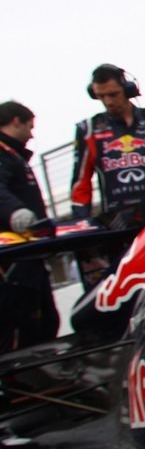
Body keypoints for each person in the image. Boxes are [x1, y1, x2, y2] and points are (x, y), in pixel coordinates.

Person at [70, 64, 145, 224]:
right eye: (101, 96)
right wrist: (82, 221)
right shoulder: (88, 130)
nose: (108, 101)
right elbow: (81, 184)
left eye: (113, 94)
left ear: (127, 90)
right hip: (116, 224)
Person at [0, 101, 59, 350]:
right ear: (16, 121)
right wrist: (16, 213)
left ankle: (42, 377)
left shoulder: (14, 156)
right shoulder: (3, 153)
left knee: (46, 321)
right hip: (13, 259)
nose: (32, 134)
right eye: (30, 127)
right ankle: (16, 382)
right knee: (20, 325)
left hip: (30, 253)